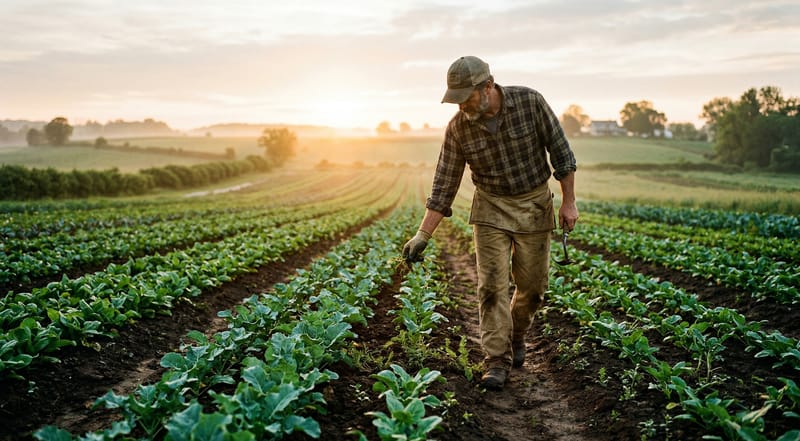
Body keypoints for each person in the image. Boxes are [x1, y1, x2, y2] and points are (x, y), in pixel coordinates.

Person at [402, 56, 578, 390]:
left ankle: (516, 335)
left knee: (533, 290)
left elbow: (562, 154)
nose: (462, 105)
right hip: (490, 209)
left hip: (533, 204)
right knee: (491, 287)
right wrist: (422, 234)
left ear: (488, 86)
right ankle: (495, 359)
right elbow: (444, 184)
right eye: (456, 99)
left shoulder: (530, 101)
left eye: (466, 97)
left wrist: (569, 202)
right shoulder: (458, 127)